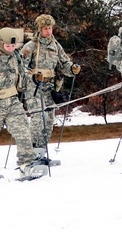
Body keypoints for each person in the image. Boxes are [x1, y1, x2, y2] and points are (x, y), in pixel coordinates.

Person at [0, 27, 46, 181]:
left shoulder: (16, 58)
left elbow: (22, 77)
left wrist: (34, 79)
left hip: (12, 101)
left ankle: (26, 164)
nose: (11, 48)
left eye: (13, 46)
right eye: (8, 46)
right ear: (1, 43)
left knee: (23, 131)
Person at [21, 14, 80, 165]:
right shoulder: (31, 46)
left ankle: (41, 153)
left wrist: (72, 68)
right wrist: (32, 77)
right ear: (39, 29)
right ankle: (31, 155)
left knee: (48, 122)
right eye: (45, 28)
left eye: (50, 28)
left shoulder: (55, 45)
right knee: (37, 121)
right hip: (34, 88)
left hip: (50, 88)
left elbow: (63, 63)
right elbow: (20, 68)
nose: (48, 31)